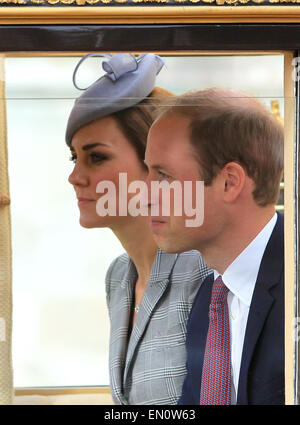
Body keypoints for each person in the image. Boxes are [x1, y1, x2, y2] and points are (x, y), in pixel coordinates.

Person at [66, 53, 210, 405]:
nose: (74, 177)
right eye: (74, 158)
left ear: (156, 165)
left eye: (96, 157)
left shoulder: (208, 270)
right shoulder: (118, 277)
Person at [145, 88, 284, 405]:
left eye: (164, 176)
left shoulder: (292, 292)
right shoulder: (211, 295)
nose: (145, 196)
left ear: (229, 182)